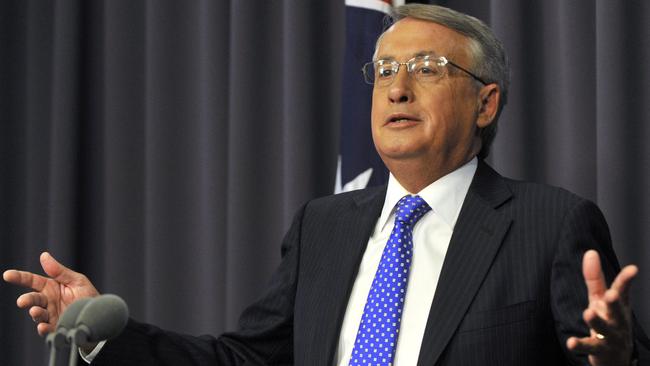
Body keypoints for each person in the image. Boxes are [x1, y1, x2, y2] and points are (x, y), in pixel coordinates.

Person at [3, 4, 648, 365]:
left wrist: (616, 359)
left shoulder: (550, 223)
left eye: (426, 68)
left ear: (486, 104)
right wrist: (107, 332)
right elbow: (246, 361)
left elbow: (603, 350)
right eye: (385, 68)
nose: (396, 86)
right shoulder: (324, 225)